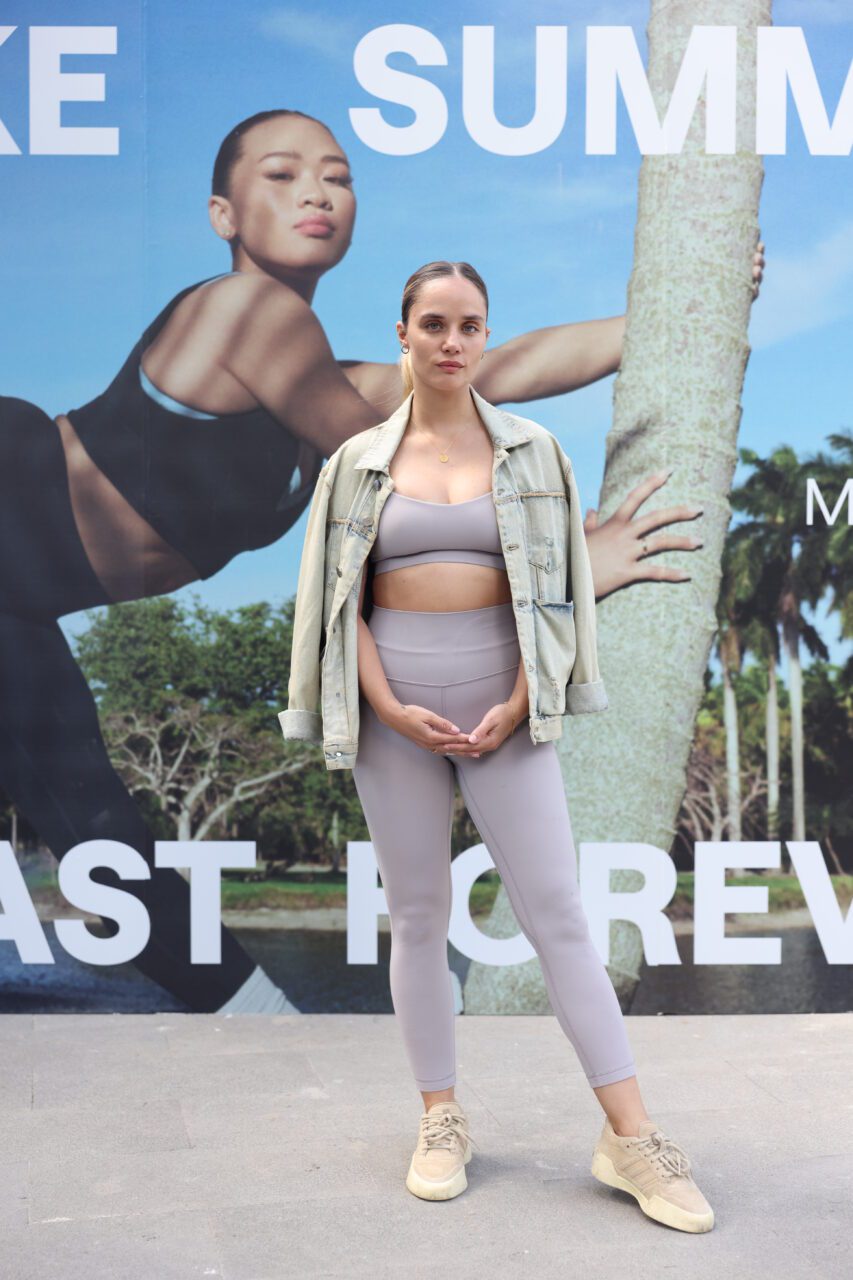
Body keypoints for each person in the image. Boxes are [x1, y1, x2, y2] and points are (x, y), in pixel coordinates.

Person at [2, 100, 763, 1013]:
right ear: (222, 215)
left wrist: (693, 297)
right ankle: (260, 1023)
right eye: (282, 175)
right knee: (77, 793)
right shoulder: (249, 314)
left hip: (18, 590)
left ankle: (254, 1021)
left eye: (337, 177)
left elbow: (502, 368)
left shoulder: (316, 379)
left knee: (72, 788)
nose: (316, 192)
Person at [281, 260, 716, 1231]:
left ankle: (631, 1136)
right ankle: (439, 1116)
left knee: (557, 913)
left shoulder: (534, 452)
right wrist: (387, 705)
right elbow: (337, 602)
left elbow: (554, 595)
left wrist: (522, 698)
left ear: (485, 336)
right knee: (418, 915)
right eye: (433, 323)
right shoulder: (353, 463)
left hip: (505, 709)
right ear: (402, 333)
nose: (451, 341)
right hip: (394, 716)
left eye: (469, 325)